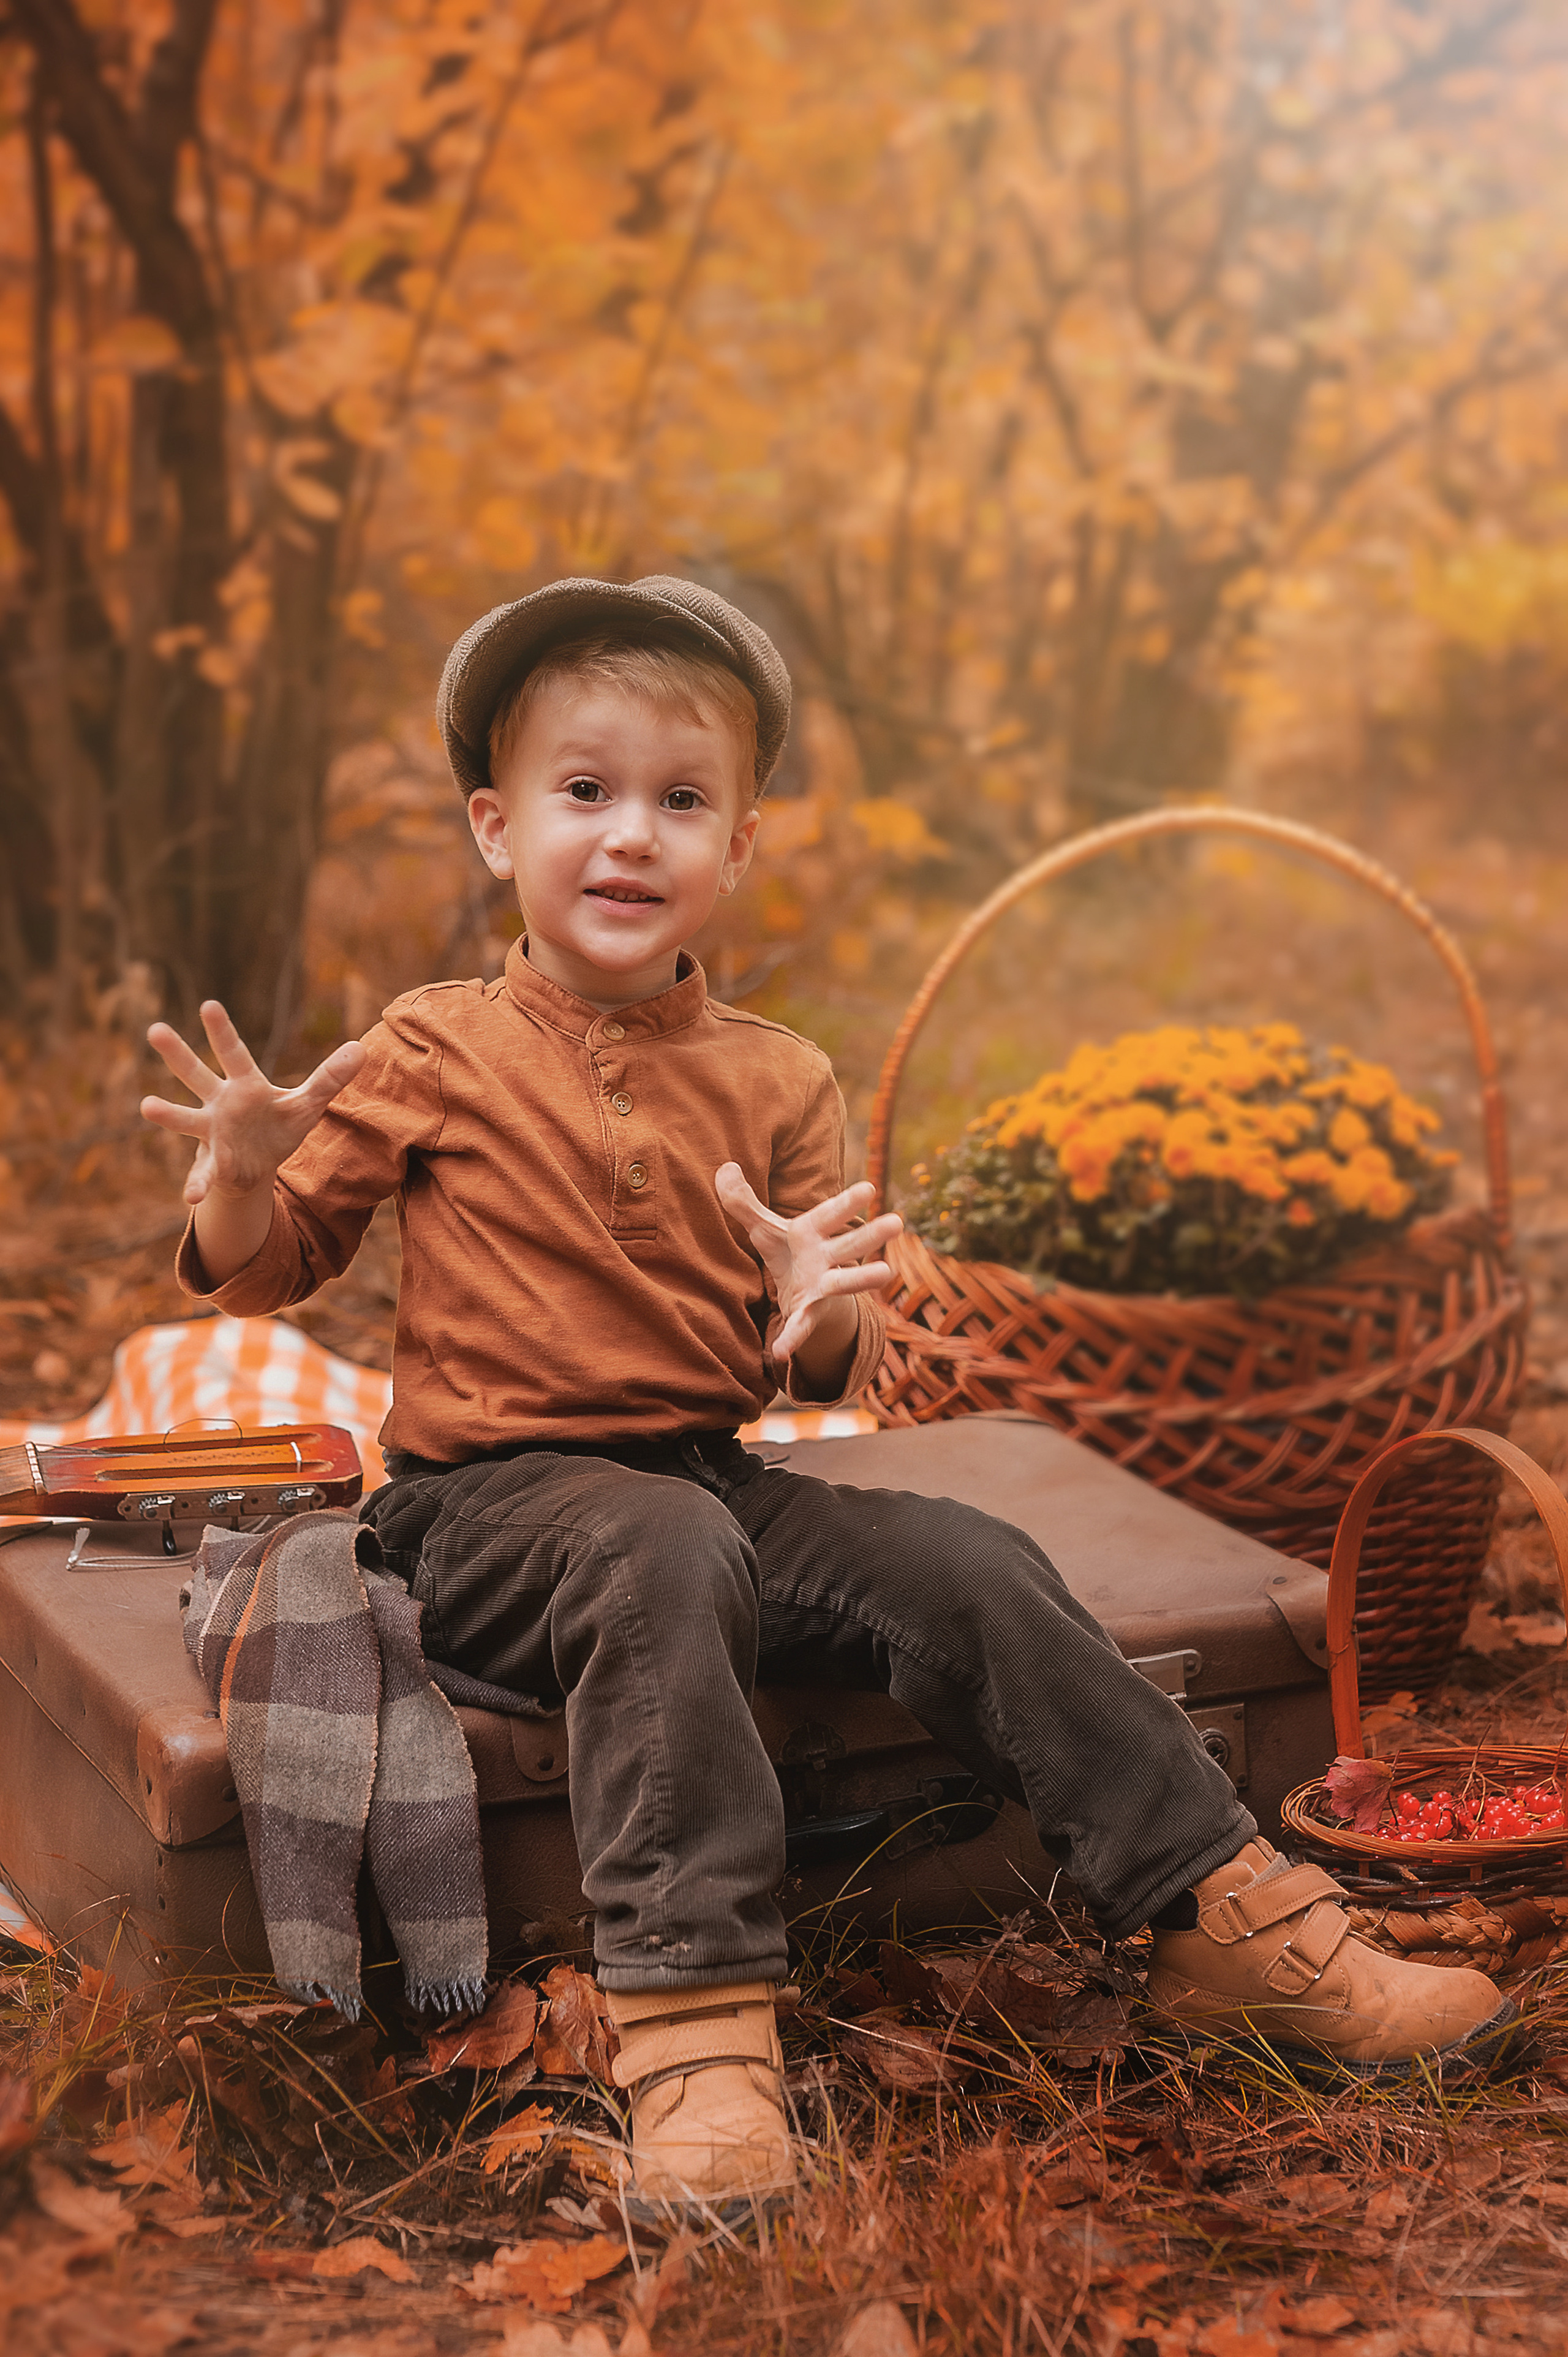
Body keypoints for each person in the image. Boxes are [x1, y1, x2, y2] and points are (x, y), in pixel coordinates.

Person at [141, 577, 1512, 2206]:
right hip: (485, 1517)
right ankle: (697, 2032)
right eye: (586, 792)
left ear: (741, 849)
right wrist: (240, 1175)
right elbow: (273, 1260)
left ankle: (1228, 1920)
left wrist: (807, 1313)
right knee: (650, 1548)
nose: (631, 835)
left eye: (681, 798)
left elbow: (833, 1368)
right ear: (498, 830)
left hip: (708, 1488)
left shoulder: (780, 1079)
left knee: (965, 1562)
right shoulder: (429, 1046)